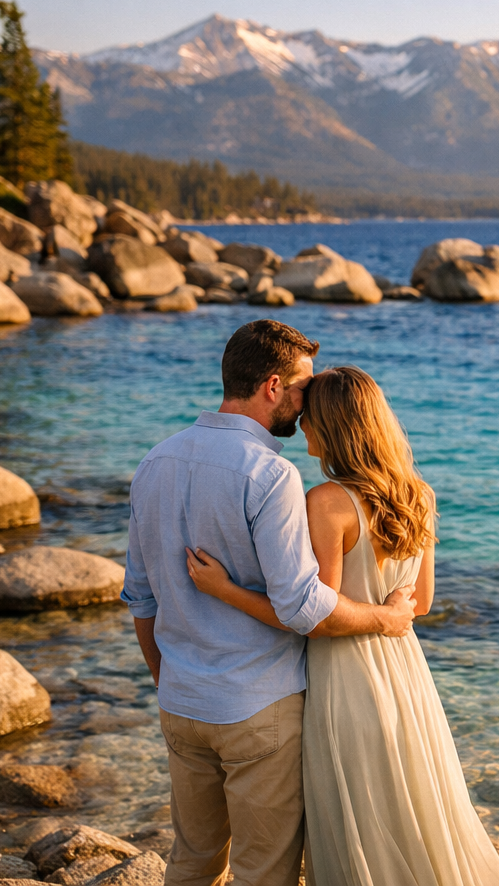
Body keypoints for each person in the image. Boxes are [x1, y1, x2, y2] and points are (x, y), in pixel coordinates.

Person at [188, 365, 499, 886]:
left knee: (356, 810)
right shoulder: (419, 495)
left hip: (344, 678)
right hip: (405, 675)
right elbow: (423, 603)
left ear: (333, 426)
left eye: (309, 417)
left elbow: (318, 617)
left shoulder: (328, 502)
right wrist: (388, 611)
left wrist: (225, 590)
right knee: (411, 803)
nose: (300, 427)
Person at [123, 321, 418, 886]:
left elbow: (141, 595)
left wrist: (167, 680)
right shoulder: (270, 474)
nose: (309, 402)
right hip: (258, 707)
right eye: (304, 386)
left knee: (191, 861)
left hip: (182, 702)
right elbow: (307, 608)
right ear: (274, 385)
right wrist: (387, 617)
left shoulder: (154, 461)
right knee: (265, 872)